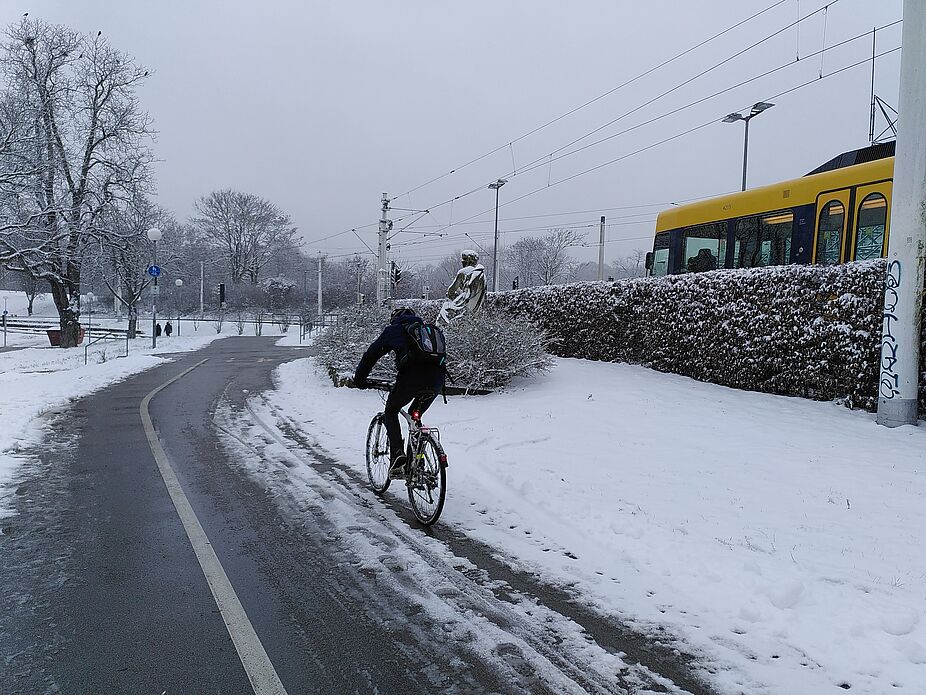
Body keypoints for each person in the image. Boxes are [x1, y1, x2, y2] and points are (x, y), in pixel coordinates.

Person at [353, 307, 446, 477]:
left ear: (395, 319)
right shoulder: (427, 332)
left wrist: (359, 379)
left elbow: (371, 355)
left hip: (411, 379)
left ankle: (398, 456)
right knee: (415, 415)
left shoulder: (393, 330)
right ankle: (417, 464)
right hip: (436, 381)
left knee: (391, 410)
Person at [438, 250, 487, 324]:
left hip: (464, 305)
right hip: (476, 307)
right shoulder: (481, 274)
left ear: (469, 260)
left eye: (464, 259)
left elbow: (451, 290)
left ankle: (444, 328)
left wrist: (452, 295)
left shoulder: (463, 272)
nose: (462, 261)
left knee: (445, 310)